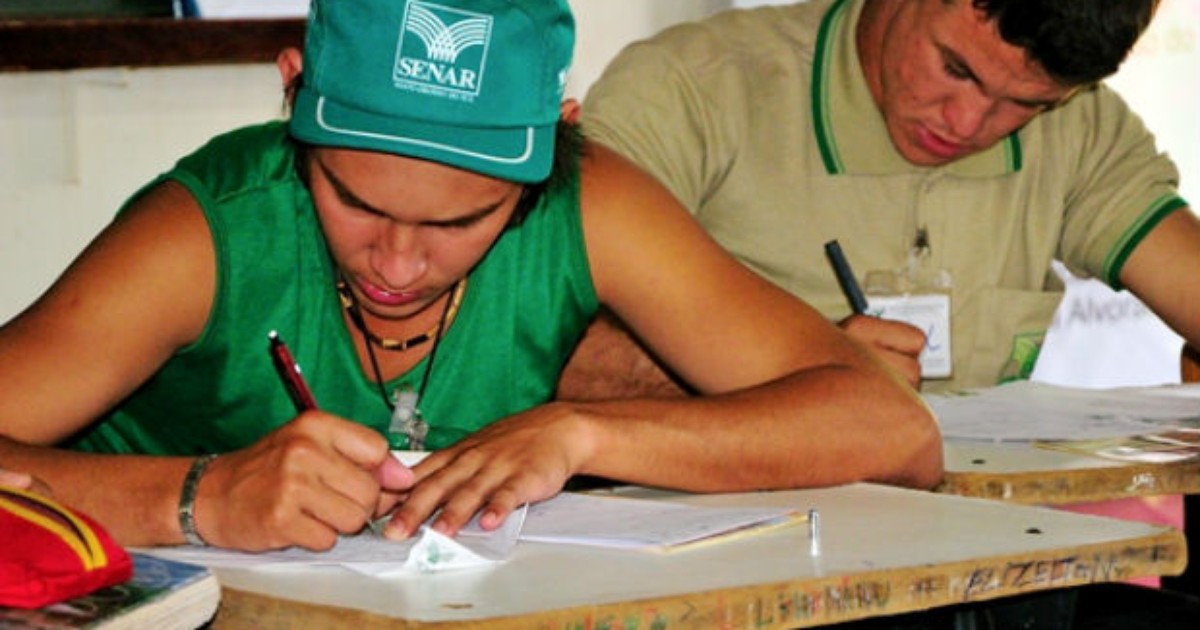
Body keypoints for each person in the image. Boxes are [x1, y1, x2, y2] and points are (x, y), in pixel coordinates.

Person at [0, 0, 940, 553]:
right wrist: (197, 498)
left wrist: (578, 433)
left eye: (463, 220)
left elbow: (890, 428)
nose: (400, 264)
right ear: (290, 95)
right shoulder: (209, 232)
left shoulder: (590, 203)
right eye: (356, 201)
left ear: (557, 143)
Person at [565, 0, 1200, 399]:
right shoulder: (690, 90)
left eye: (1026, 104)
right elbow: (529, 346)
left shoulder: (1083, 129)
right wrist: (794, 375)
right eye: (956, 68)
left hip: (980, 570)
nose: (968, 122)